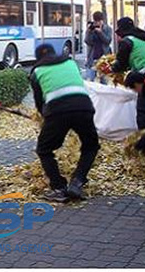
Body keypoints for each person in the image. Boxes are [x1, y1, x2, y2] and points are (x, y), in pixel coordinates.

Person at [31, 44, 100, 202]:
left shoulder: (36, 71)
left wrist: (44, 118)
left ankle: (59, 187)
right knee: (91, 146)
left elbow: (39, 102)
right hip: (84, 107)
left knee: (44, 149)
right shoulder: (70, 62)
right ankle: (77, 181)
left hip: (57, 112)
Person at [84, 11, 112, 81]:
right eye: (96, 22)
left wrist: (100, 32)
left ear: (102, 20)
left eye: (99, 21)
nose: (97, 24)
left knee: (104, 80)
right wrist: (89, 32)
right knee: (90, 79)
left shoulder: (107, 29)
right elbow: (87, 41)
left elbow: (108, 41)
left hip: (104, 57)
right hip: (92, 57)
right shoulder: (92, 28)